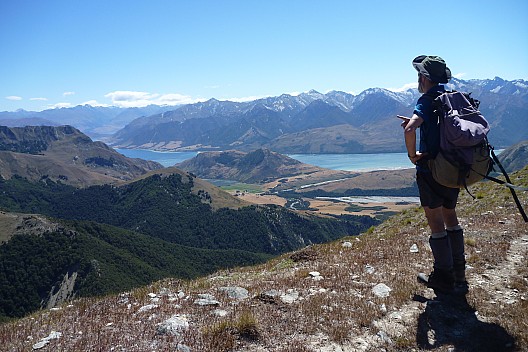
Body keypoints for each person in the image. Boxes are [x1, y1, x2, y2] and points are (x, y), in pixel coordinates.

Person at [400, 55, 467, 293]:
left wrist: (412, 155)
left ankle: (442, 277)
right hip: (454, 168)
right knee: (450, 215)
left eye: (419, 75)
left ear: (424, 77)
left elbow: (410, 129)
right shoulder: (451, 97)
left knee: (435, 221)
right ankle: (459, 274)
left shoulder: (427, 100)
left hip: (431, 170)